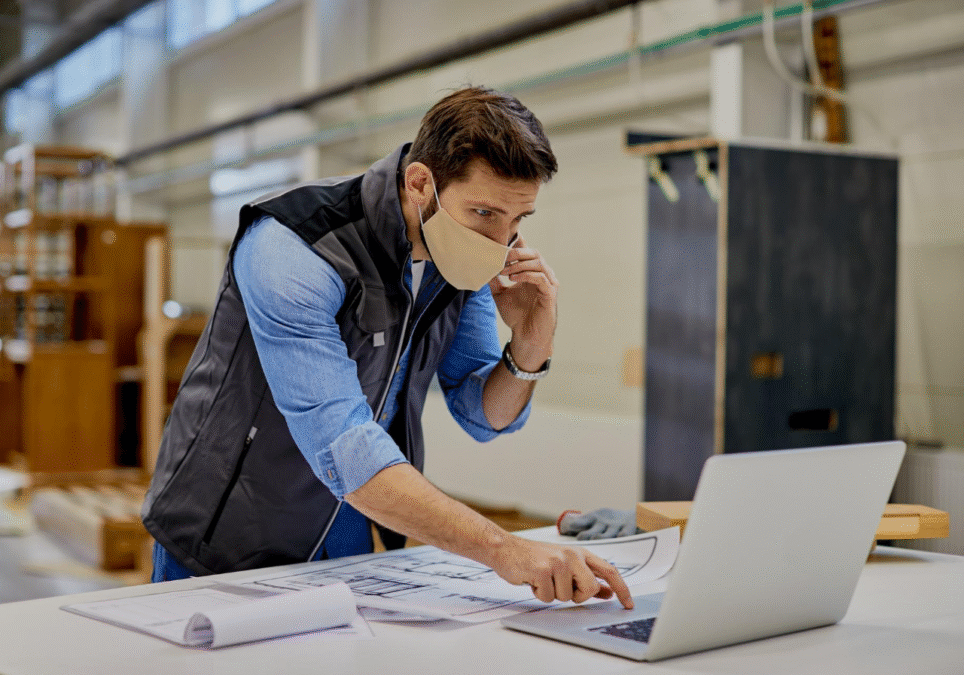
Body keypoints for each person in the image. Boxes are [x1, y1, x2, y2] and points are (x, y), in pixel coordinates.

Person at [141, 86, 633, 610]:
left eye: (517, 221)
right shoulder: (296, 245)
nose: (501, 243)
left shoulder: (458, 262)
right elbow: (345, 446)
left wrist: (532, 339)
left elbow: (483, 415)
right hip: (225, 537)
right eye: (485, 214)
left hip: (346, 535)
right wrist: (504, 549)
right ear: (421, 183)